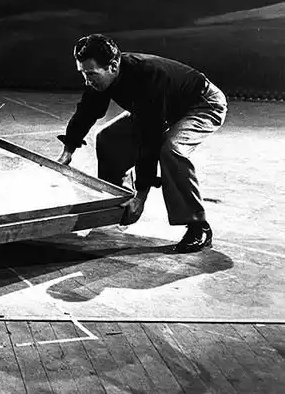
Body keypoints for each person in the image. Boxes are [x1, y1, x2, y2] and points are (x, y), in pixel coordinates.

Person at [56, 34, 228, 253]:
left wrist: (141, 197)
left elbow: (150, 138)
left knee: (172, 150)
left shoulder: (147, 77)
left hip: (202, 104)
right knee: (107, 138)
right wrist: (67, 152)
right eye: (83, 73)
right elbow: (87, 111)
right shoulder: (101, 77)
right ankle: (119, 199)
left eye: (91, 74)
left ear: (113, 66)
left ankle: (198, 225)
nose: (87, 80)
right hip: (163, 107)